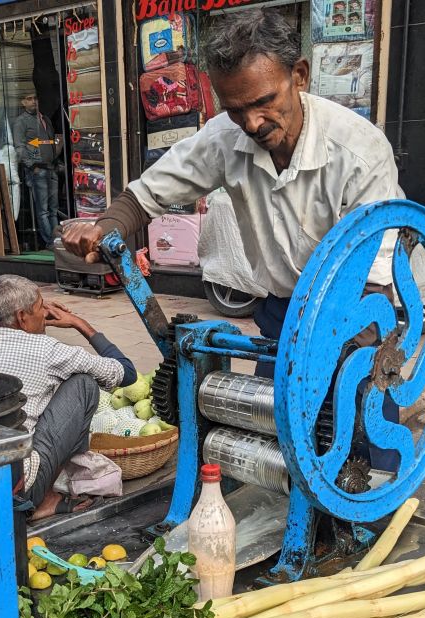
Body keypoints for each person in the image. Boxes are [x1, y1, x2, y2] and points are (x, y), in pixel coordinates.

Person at [60, 9, 401, 469]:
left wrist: (342, 358)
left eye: (264, 101)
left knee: (363, 431)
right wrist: (105, 228)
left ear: (298, 75)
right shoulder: (224, 137)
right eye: (235, 109)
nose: (253, 122)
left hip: (357, 310)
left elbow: (372, 271)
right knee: (276, 444)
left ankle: (381, 508)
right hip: (283, 310)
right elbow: (148, 195)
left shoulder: (359, 151)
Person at [0, 275, 137, 520]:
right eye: (41, 307)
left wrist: (37, 318)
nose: (46, 313)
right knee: (83, 384)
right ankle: (46, 499)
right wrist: (78, 323)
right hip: (20, 490)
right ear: (22, 317)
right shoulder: (46, 350)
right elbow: (126, 372)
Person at [13, 91, 61, 249]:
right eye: (29, 99)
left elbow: (51, 141)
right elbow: (19, 147)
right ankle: (50, 241)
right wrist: (31, 166)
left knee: (53, 209)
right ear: (23, 102)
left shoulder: (44, 118)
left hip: (50, 168)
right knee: (43, 210)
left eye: (35, 98)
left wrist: (56, 160)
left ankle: (57, 239)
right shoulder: (21, 121)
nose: (33, 101)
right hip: (37, 169)